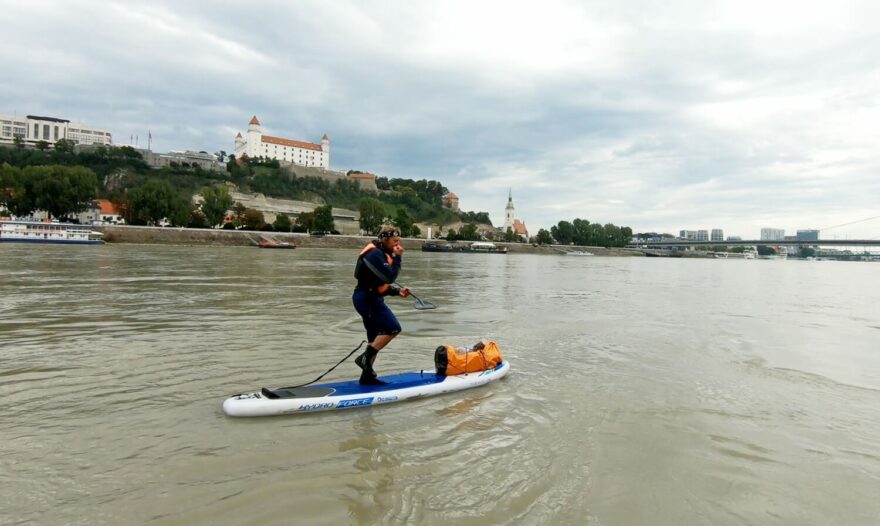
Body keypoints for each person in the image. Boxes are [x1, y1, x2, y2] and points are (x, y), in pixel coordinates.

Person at [352, 226, 410, 384]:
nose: (398, 244)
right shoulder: (375, 253)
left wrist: (397, 292)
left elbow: (381, 285)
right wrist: (398, 258)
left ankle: (367, 377)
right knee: (393, 328)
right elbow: (389, 277)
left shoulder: (382, 253)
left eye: (399, 240)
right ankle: (364, 359)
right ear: (385, 239)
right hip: (366, 299)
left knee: (373, 339)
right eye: (395, 240)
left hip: (370, 297)